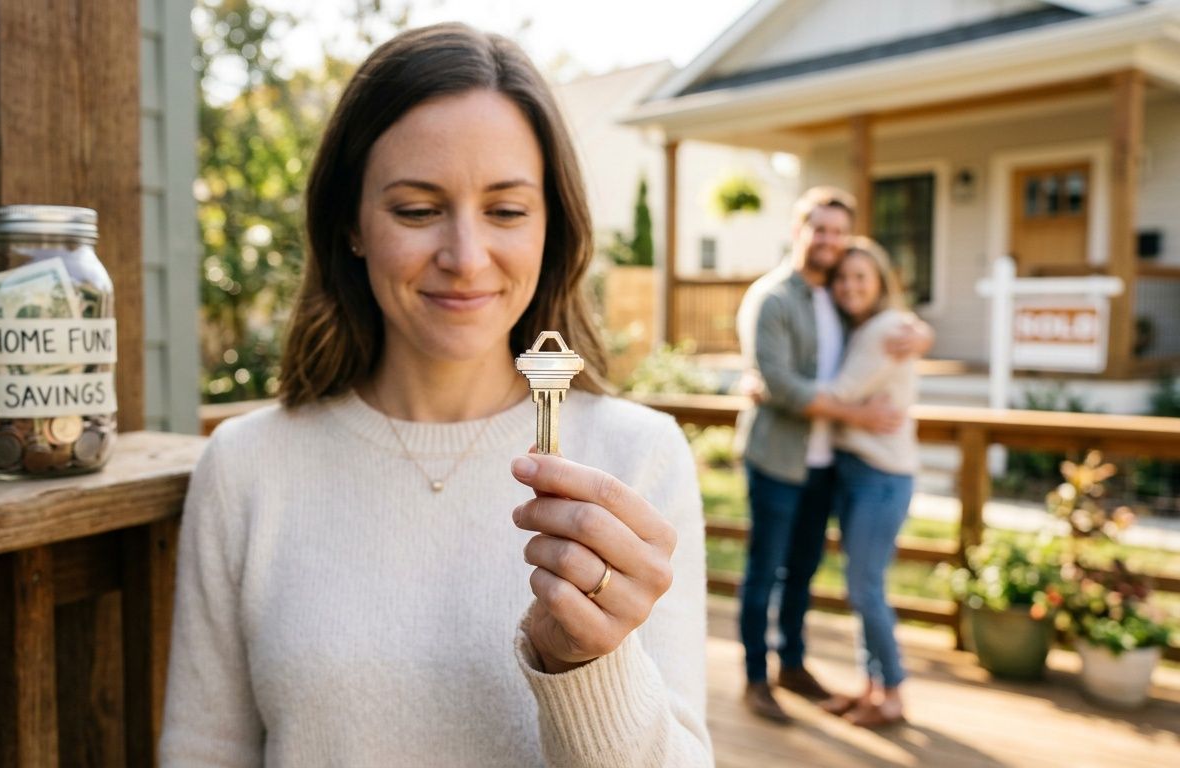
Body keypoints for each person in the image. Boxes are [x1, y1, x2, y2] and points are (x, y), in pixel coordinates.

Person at [159, 23, 712, 766]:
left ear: (554, 225)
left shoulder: (638, 459)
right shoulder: (246, 466)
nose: (465, 257)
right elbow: (204, 751)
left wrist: (587, 663)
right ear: (351, 224)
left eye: (507, 210)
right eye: (417, 210)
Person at [732, 187, 930, 724]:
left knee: (802, 572)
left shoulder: (843, 299)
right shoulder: (771, 297)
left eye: (838, 232)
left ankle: (792, 666)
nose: (830, 240)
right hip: (778, 458)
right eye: (820, 229)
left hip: (828, 466)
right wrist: (857, 416)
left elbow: (885, 327)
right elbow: (782, 384)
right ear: (799, 231)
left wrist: (921, 333)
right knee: (763, 571)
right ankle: (755, 679)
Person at [816, 237, 919, 728]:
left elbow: (836, 394)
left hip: (881, 477)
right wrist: (855, 416)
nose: (849, 286)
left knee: (865, 588)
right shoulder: (868, 329)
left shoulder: (885, 329)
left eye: (861, 277)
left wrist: (767, 386)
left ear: (880, 282)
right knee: (861, 587)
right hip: (858, 472)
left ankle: (894, 690)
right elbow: (847, 404)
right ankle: (872, 689)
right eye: (842, 278)